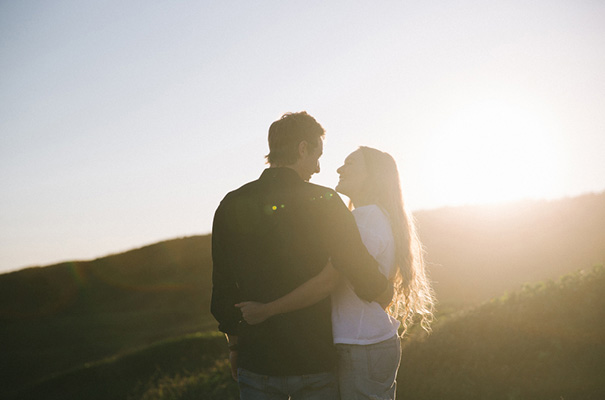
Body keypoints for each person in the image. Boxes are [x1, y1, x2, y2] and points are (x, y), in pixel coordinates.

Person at [211, 112, 389, 400]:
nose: (318, 169)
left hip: (257, 362)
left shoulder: (231, 204)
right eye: (317, 156)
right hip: (314, 363)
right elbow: (355, 265)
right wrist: (383, 290)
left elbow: (223, 287)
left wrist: (234, 346)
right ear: (303, 148)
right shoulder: (326, 202)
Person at [236, 146, 436, 400]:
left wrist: (267, 310)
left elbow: (328, 281)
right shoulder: (372, 216)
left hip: (361, 344)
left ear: (372, 175)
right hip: (365, 342)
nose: (339, 168)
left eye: (350, 163)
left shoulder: (364, 219)